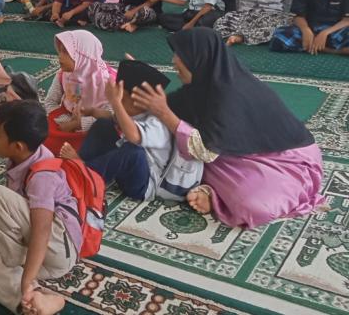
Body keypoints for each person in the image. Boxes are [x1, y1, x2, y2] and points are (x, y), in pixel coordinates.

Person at [132, 28, 325, 228]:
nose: (174, 61)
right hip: (236, 155)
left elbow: (205, 150)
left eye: (180, 56)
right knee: (179, 147)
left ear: (198, 58)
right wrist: (138, 77)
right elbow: (164, 106)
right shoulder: (202, 85)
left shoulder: (229, 94)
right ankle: (215, 192)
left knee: (252, 205)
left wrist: (165, 113)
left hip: (287, 161)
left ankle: (215, 196)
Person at [0, 100, 78, 315]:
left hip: (56, 248)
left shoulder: (43, 176)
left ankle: (23, 278)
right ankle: (34, 299)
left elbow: (41, 231)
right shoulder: (22, 157)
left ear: (18, 146)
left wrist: (26, 280)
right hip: (39, 255)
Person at [63, 60, 200, 202]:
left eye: (121, 97)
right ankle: (80, 162)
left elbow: (134, 135)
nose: (118, 101)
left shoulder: (158, 123)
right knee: (103, 125)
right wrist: (92, 111)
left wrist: (115, 102)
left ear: (135, 101)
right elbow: (115, 118)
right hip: (136, 170)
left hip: (146, 185)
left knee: (133, 152)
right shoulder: (140, 112)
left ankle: (89, 173)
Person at [43, 31, 115, 155]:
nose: (60, 56)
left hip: (94, 126)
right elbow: (50, 102)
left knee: (107, 136)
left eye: (66, 52)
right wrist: (67, 121)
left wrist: (78, 124)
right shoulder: (64, 74)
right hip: (66, 120)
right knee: (42, 133)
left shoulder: (107, 81)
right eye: (59, 51)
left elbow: (112, 115)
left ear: (83, 56)